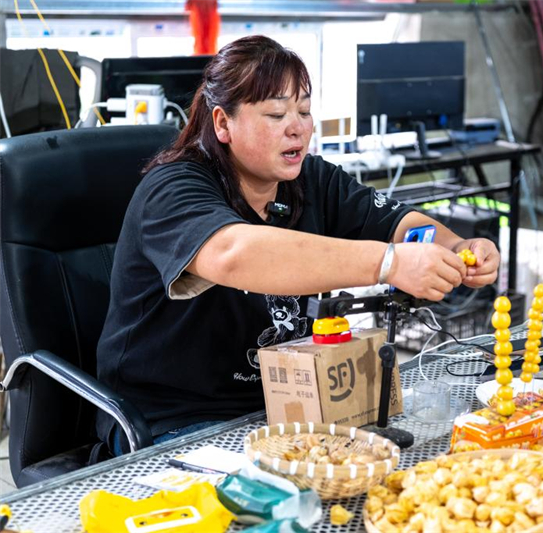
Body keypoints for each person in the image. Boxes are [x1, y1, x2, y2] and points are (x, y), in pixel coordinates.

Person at [97, 35, 500, 456]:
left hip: (289, 404)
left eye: (304, 111)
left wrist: (457, 246)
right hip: (172, 419)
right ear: (222, 123)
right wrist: (388, 263)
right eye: (275, 113)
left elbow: (398, 222)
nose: (297, 126)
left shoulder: (310, 181)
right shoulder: (174, 187)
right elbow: (233, 253)